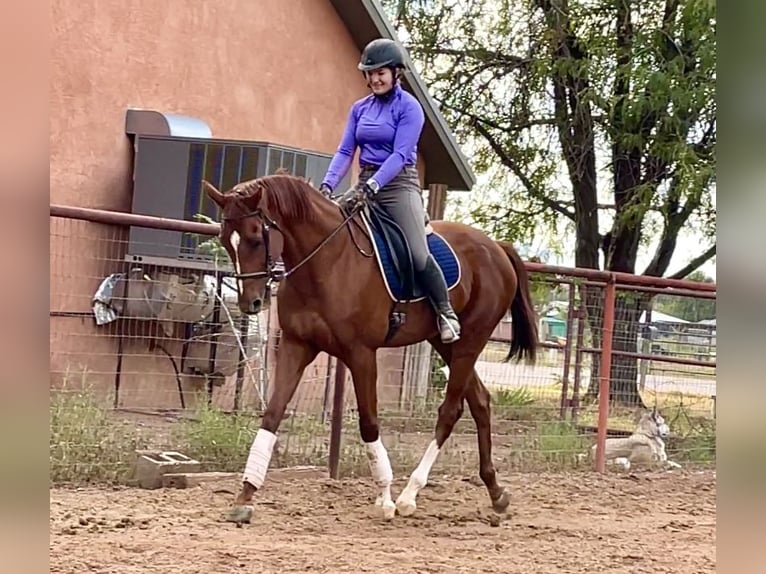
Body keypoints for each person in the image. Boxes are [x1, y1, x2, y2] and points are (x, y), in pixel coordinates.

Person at [319, 38, 461, 344]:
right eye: (369, 74)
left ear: (397, 73)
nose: (374, 79)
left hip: (399, 186)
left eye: (380, 72)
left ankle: (445, 312)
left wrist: (373, 186)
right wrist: (328, 184)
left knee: (417, 249)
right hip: (364, 184)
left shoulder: (410, 108)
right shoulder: (360, 109)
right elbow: (346, 151)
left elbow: (399, 154)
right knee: (329, 233)